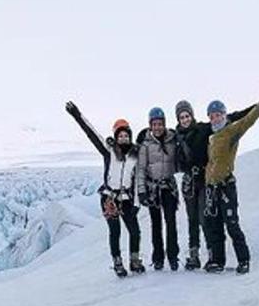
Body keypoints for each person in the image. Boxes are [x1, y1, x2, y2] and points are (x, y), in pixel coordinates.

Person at [201, 85, 259, 274]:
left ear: (224, 114)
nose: (215, 118)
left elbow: (247, 121)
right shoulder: (212, 138)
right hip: (212, 188)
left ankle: (244, 260)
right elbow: (211, 162)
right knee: (215, 226)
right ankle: (218, 262)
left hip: (226, 187)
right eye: (212, 116)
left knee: (232, 224)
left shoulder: (231, 131)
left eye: (218, 114)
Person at [65, 101, 145, 277]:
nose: (123, 138)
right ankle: (117, 262)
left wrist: (137, 203)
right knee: (115, 231)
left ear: (129, 137)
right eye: (120, 136)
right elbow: (91, 133)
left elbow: (137, 179)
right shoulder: (108, 151)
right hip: (109, 198)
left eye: (126, 136)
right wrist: (77, 115)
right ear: (116, 137)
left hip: (126, 199)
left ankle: (134, 260)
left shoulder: (134, 156)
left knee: (135, 231)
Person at [173, 99, 253, 270]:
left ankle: (238, 259)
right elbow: (175, 160)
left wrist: (258, 105)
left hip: (210, 182)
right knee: (202, 220)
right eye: (182, 117)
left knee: (216, 221)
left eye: (187, 116)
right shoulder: (177, 137)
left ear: (192, 115)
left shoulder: (204, 129)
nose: (185, 119)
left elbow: (232, 118)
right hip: (193, 182)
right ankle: (212, 259)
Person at [134, 107, 180, 270]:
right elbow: (140, 168)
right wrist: (141, 191)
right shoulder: (145, 144)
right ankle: (158, 257)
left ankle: (173, 256)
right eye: (155, 124)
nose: (158, 127)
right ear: (150, 125)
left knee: (171, 222)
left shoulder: (172, 139)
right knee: (156, 224)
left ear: (164, 124)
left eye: (160, 124)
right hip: (152, 188)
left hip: (168, 186)